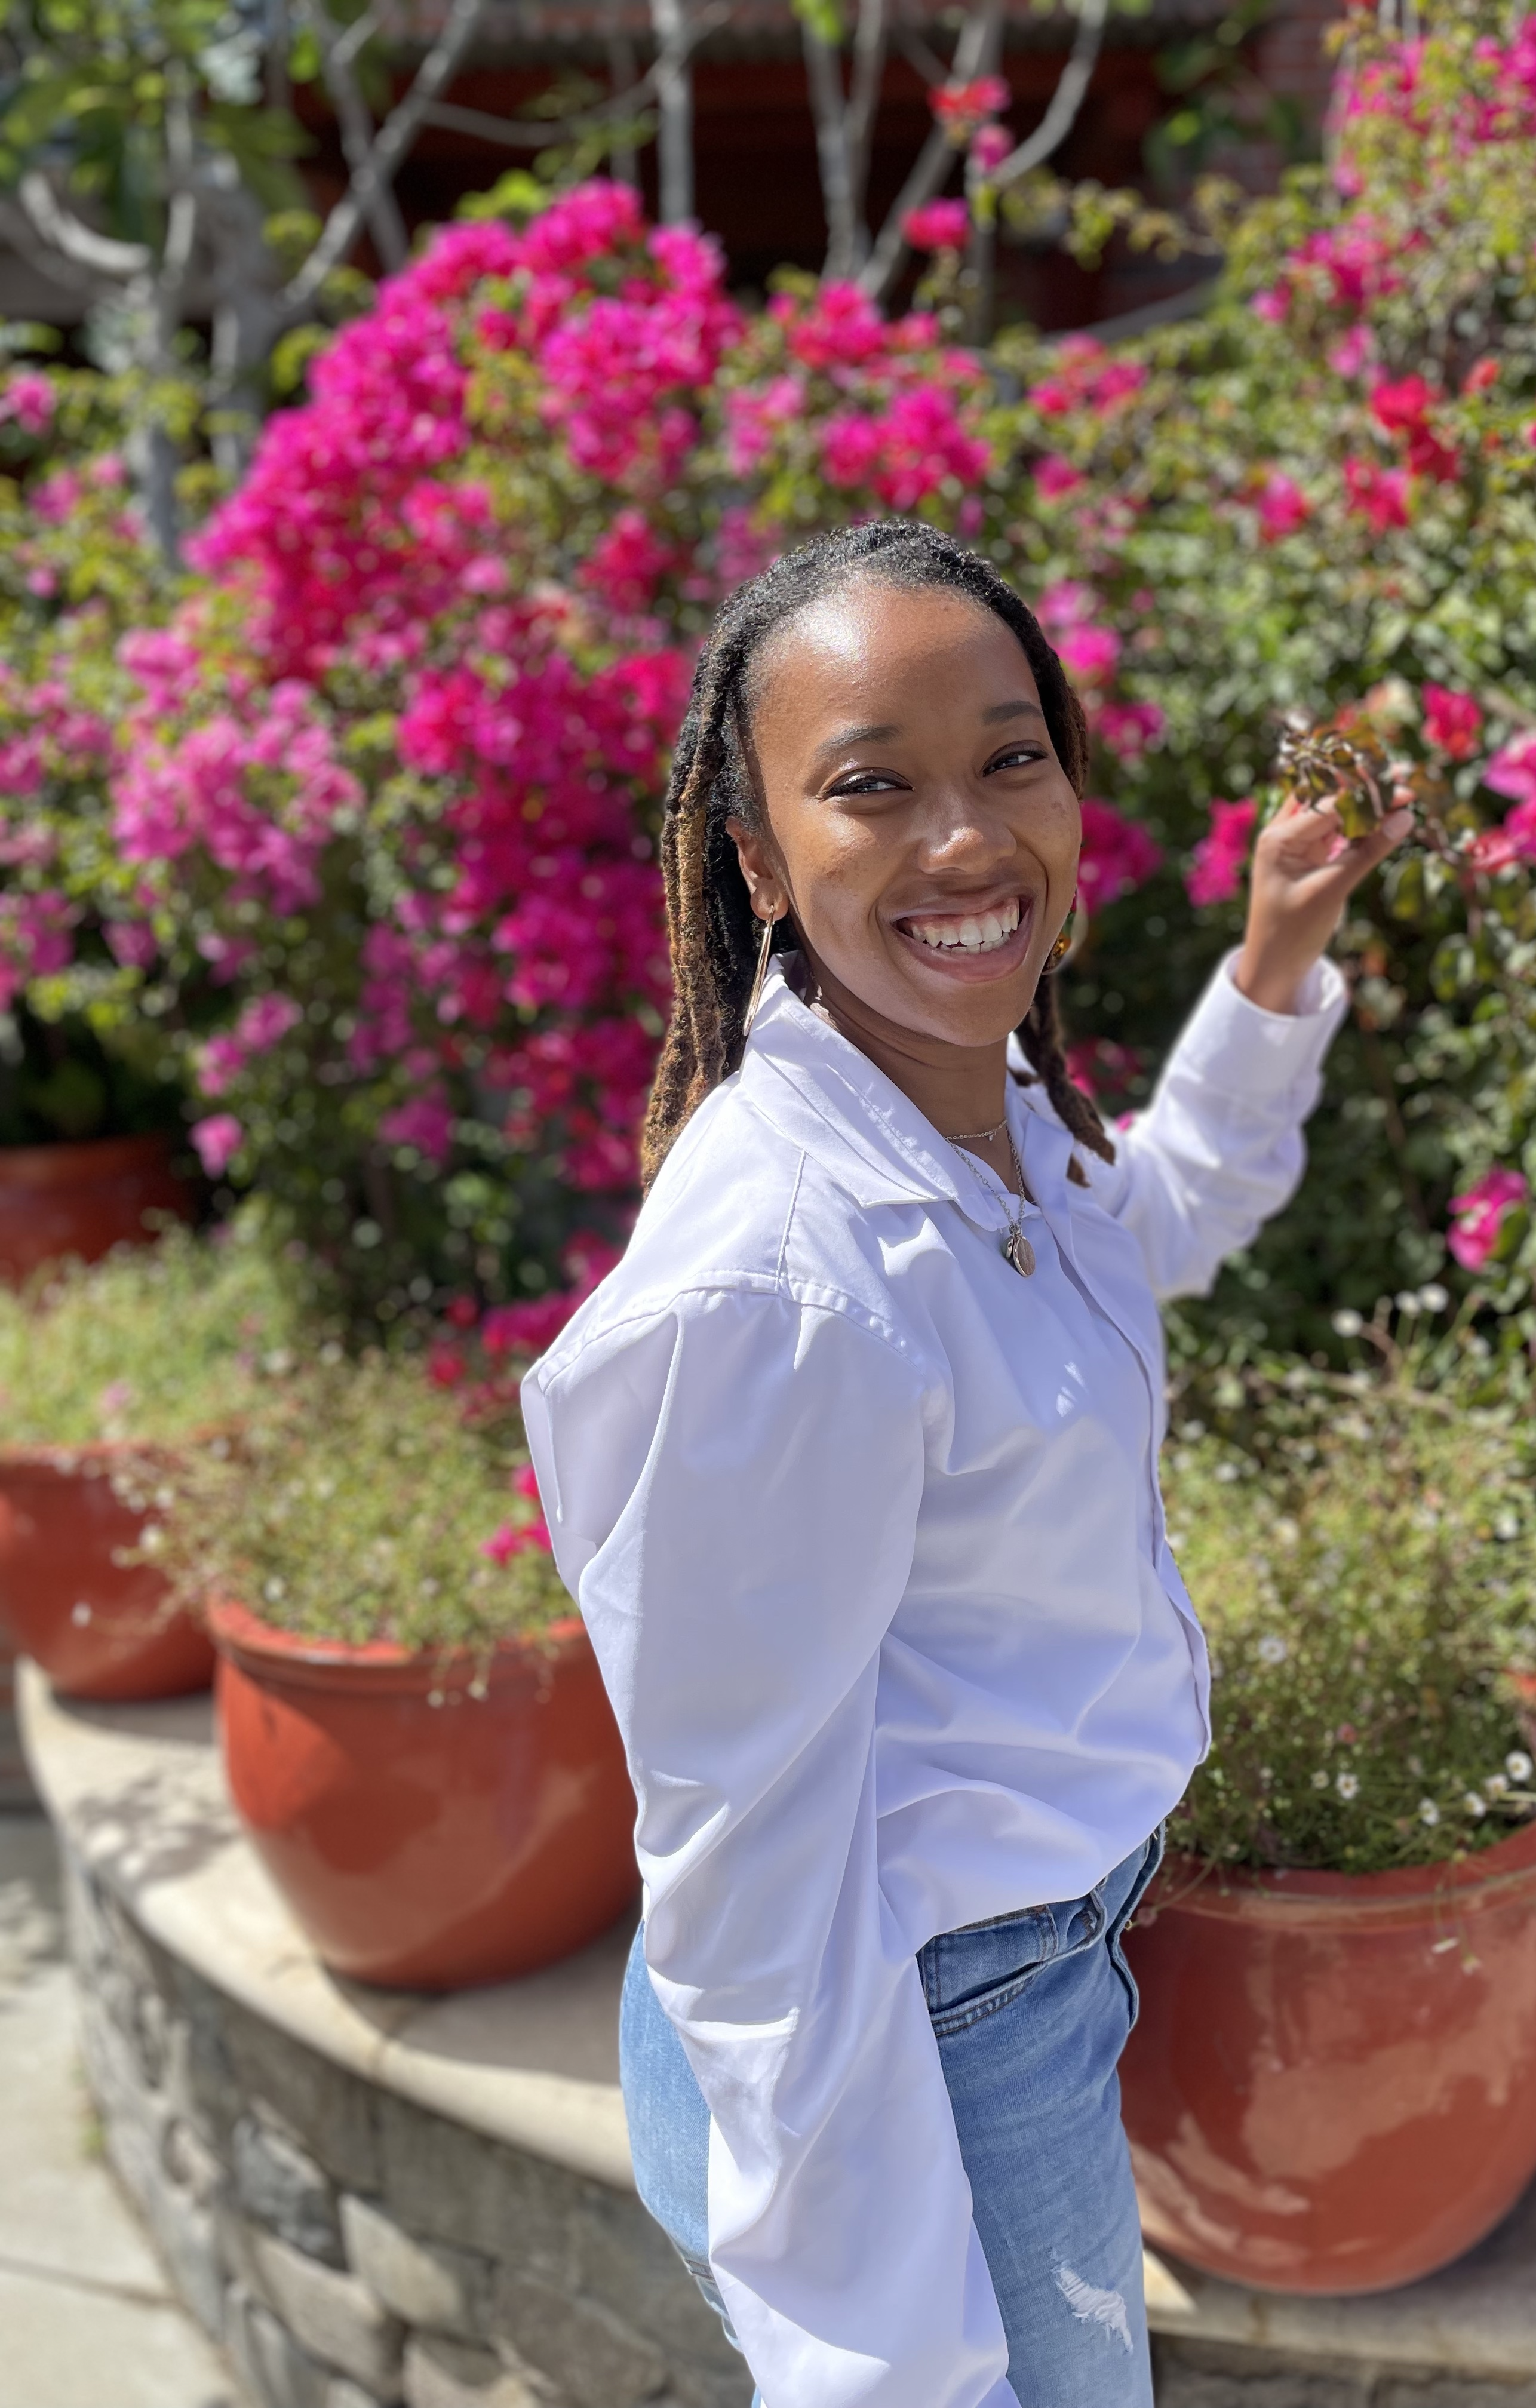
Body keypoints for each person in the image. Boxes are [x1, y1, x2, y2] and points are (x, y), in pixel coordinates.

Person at [521, 517, 1411, 2408]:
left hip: (997, 1990)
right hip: (909, 2043)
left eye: (1011, 757)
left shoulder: (977, 1106)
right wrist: (892, 2368)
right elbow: (755, 1882)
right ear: (756, 861)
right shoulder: (784, 1277)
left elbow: (1145, 1227)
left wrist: (1272, 967)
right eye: (871, 788)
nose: (964, 840)